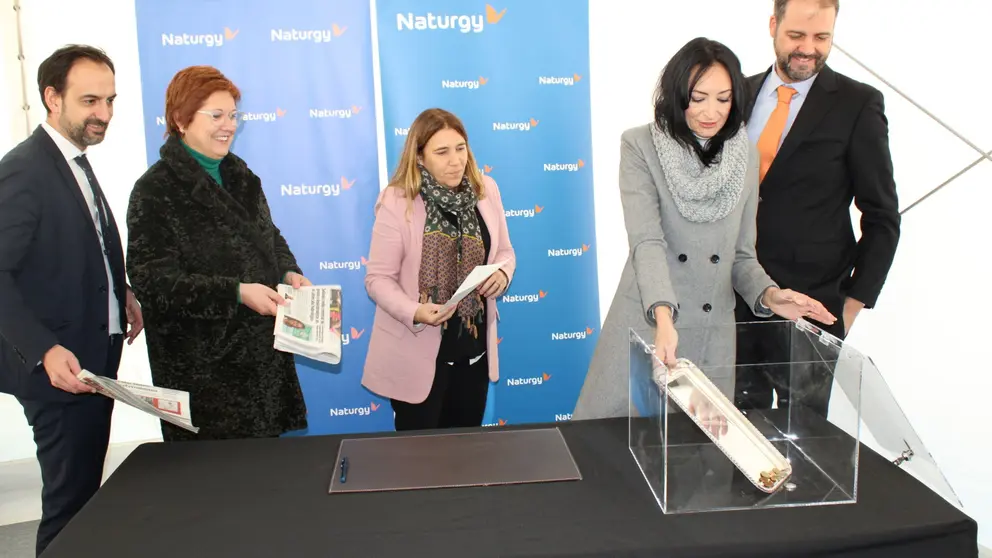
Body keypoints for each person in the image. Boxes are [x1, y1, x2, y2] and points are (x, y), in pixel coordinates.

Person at [572, 37, 835, 421]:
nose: (711, 111)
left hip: (711, 338)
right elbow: (647, 242)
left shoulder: (745, 154)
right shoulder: (640, 145)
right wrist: (663, 319)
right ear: (678, 95)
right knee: (613, 457)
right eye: (699, 97)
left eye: (723, 98)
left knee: (697, 468)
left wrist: (771, 296)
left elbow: (741, 255)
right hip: (650, 325)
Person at [0, 44, 144, 556]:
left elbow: (75, 248)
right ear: (51, 98)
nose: (103, 114)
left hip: (91, 364)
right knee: (69, 511)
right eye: (90, 101)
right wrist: (42, 349)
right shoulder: (26, 169)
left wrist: (119, 290)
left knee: (85, 501)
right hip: (56, 371)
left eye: (110, 100)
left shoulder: (75, 162)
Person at [733, 0, 901, 413]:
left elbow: (882, 217)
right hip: (731, 300)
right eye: (796, 36)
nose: (809, 48)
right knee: (728, 433)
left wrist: (851, 306)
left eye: (821, 37)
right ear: (773, 25)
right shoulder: (736, 94)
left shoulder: (858, 104)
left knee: (803, 448)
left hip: (811, 311)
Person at [125, 65, 308, 441]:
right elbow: (152, 280)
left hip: (260, 364)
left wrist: (289, 271)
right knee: (213, 490)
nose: (229, 125)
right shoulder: (155, 190)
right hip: (202, 373)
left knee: (265, 483)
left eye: (233, 116)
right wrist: (236, 292)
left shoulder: (242, 176)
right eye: (216, 115)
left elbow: (268, 236)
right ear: (180, 119)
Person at [362, 108, 516, 431]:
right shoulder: (397, 200)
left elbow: (504, 252)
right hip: (417, 360)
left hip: (473, 357)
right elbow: (378, 279)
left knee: (465, 464)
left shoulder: (486, 190)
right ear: (419, 158)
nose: (456, 160)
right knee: (419, 469)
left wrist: (501, 275)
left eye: (461, 149)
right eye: (442, 152)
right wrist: (415, 310)